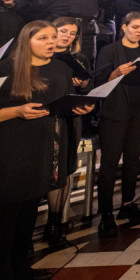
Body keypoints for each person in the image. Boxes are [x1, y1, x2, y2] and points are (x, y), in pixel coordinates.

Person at [0, 20, 92, 280]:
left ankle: (21, 266)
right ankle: (3, 277)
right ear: (26, 40)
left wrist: (78, 108)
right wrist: (15, 111)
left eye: (53, 37)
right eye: (43, 38)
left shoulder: (60, 69)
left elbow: (61, 105)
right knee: (5, 216)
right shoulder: (4, 69)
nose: (51, 42)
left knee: (29, 212)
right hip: (9, 150)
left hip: (43, 149)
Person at [94, 12, 140, 237]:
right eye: (135, 27)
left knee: (132, 160)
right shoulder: (109, 50)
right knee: (109, 163)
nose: (139, 31)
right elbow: (97, 81)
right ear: (124, 27)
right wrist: (115, 73)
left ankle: (128, 203)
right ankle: (106, 213)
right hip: (115, 110)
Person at [44, 17, 93, 248]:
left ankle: (55, 224)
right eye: (63, 31)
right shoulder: (44, 57)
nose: (67, 36)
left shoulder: (79, 59)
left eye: (72, 33)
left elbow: (89, 85)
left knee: (66, 169)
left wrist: (83, 86)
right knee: (49, 171)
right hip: (48, 119)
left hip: (72, 118)